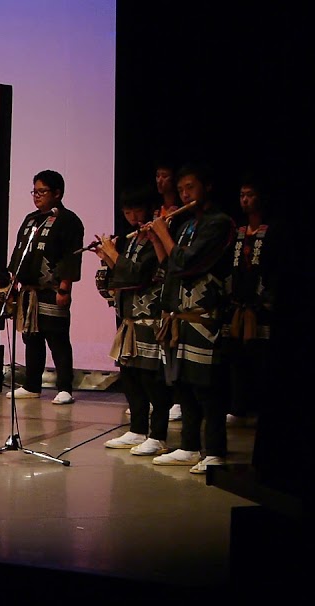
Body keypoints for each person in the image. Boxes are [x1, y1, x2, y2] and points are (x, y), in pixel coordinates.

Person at [148, 164, 235, 474]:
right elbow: (171, 265)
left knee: (206, 388)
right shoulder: (186, 225)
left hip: (204, 316)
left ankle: (215, 451)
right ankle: (188, 446)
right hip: (181, 315)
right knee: (183, 384)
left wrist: (163, 232)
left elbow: (187, 262)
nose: (185, 195)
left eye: (190, 188)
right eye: (181, 189)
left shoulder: (219, 223)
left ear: (207, 187)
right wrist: (157, 239)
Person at [94, 186, 173, 456]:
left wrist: (114, 256)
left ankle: (158, 435)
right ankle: (137, 429)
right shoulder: (132, 240)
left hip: (150, 318)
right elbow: (122, 277)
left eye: (137, 211)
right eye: (127, 212)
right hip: (130, 318)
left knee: (151, 380)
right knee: (130, 376)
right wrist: (108, 257)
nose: (133, 218)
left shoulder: (156, 238)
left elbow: (140, 275)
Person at [0, 170, 84, 404]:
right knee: (31, 337)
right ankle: (32, 384)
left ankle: (65, 387)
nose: (37, 196)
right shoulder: (31, 220)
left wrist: (65, 288)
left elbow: (71, 256)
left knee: (57, 339)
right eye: (34, 191)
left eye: (42, 191)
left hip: (53, 289)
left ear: (57, 193)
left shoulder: (69, 220)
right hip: (29, 290)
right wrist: (12, 282)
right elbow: (19, 252)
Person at [223, 175, 277, 426]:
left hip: (261, 307)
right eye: (242, 195)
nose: (245, 200)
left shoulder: (272, 231)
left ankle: (263, 409)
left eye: (250, 195)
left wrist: (266, 299)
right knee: (237, 359)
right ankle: (238, 407)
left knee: (262, 360)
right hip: (237, 305)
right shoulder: (239, 232)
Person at [155, 160, 183, 422]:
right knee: (164, 348)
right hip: (162, 280)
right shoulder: (157, 211)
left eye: (165, 175)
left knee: (177, 345)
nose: (160, 181)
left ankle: (179, 399)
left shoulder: (183, 215)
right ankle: (167, 398)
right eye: (158, 175)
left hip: (181, 284)